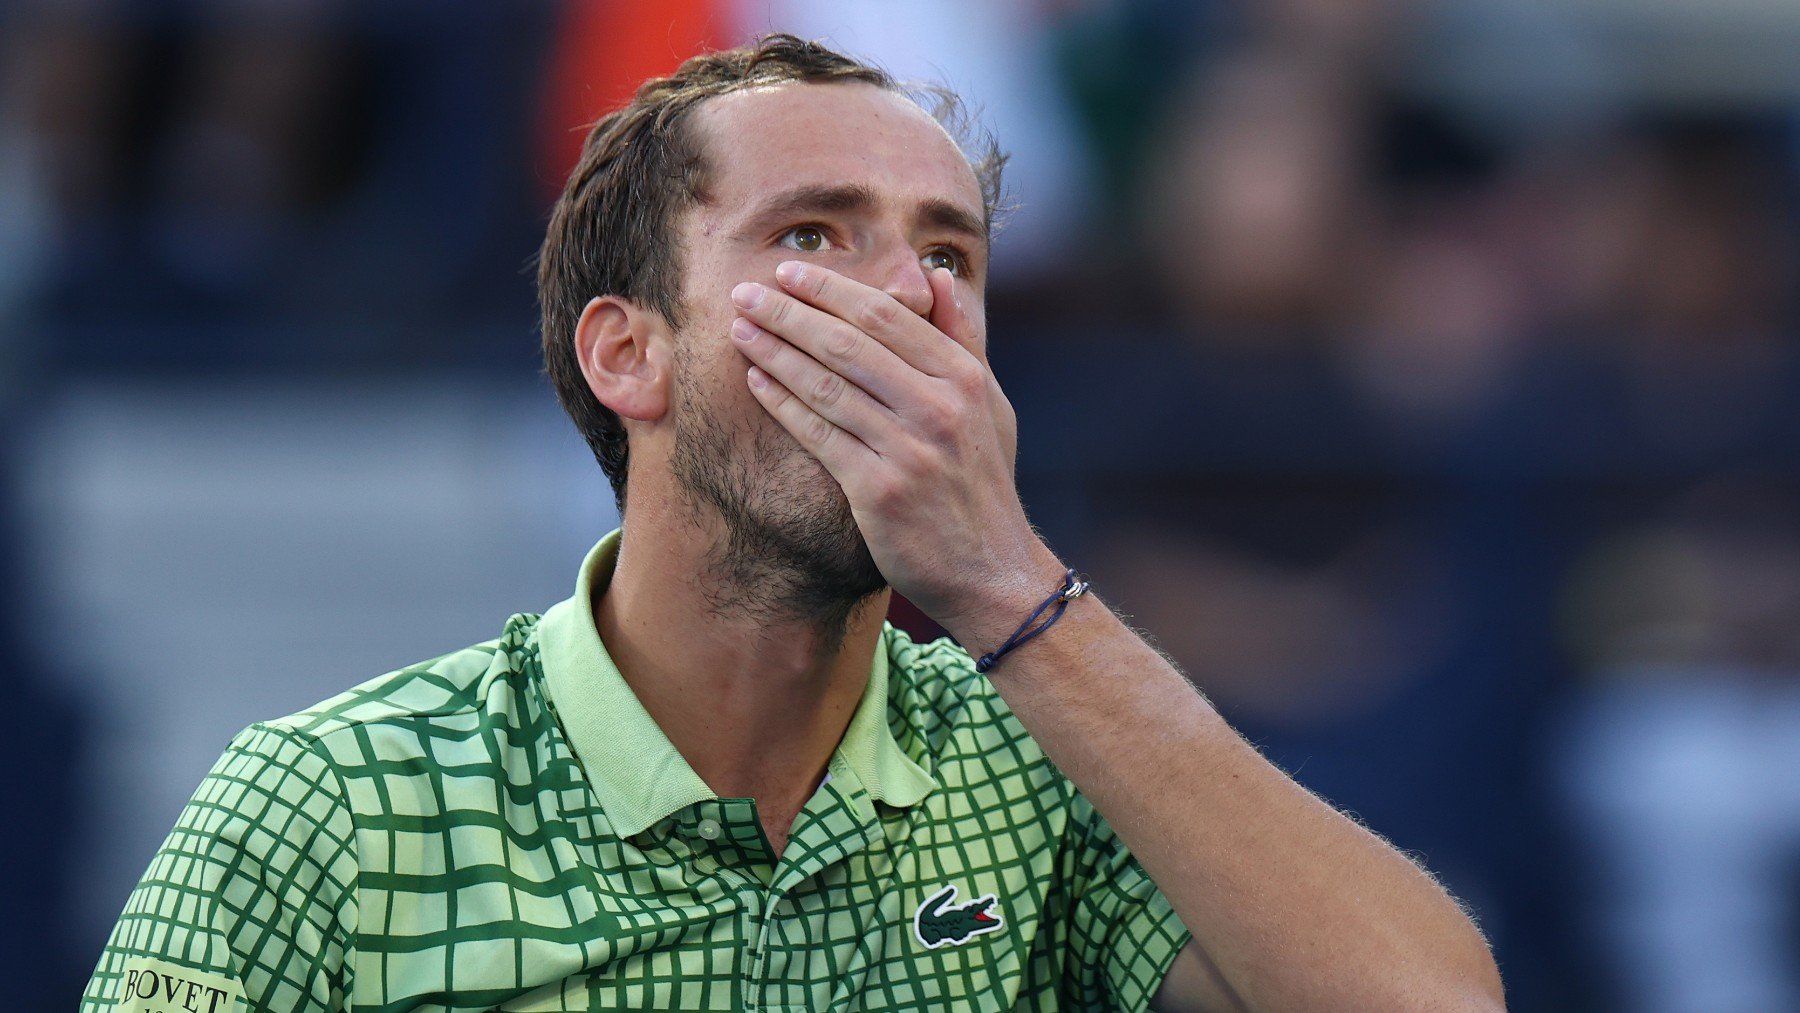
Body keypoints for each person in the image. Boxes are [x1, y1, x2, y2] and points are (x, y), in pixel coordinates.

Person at [82, 34, 1504, 1011]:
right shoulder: (322, 808)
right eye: (814, 238)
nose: (907, 303)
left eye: (948, 251)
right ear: (625, 354)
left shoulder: (1045, 774)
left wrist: (1013, 589)